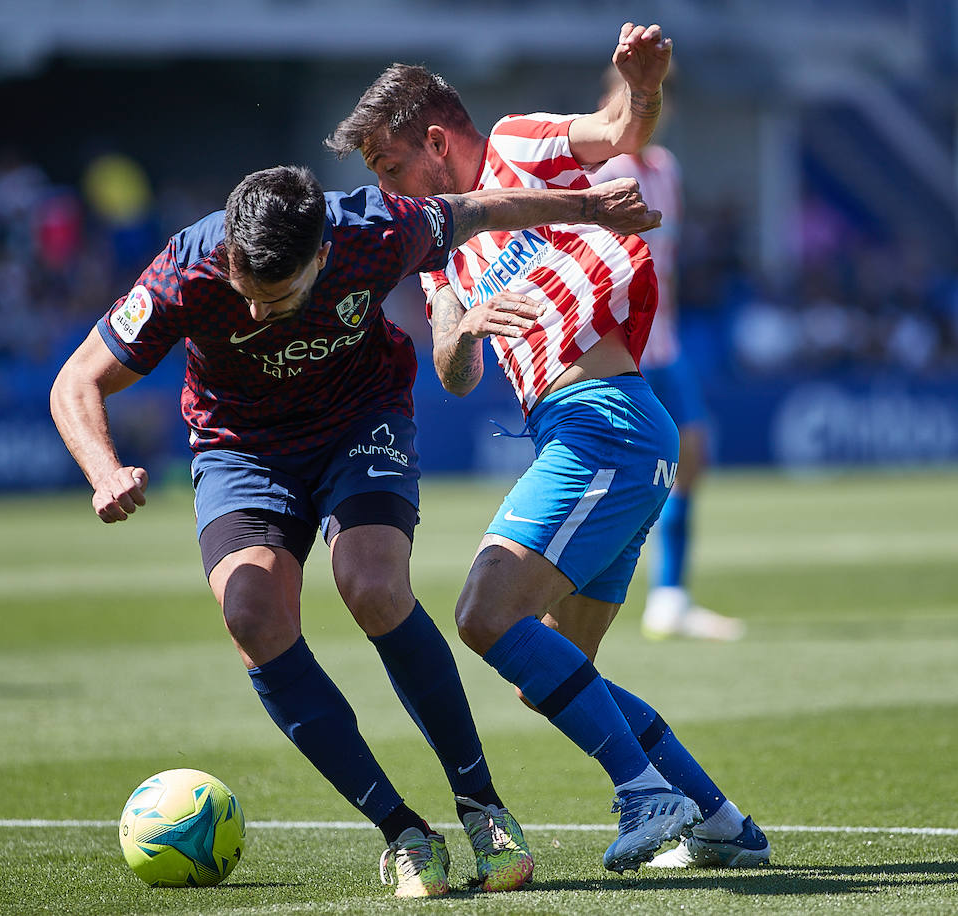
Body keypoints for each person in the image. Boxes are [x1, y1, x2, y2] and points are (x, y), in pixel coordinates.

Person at [49, 165, 660, 896]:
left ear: (320, 257)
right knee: (250, 615)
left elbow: (480, 208)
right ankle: (402, 830)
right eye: (246, 294)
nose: (257, 314)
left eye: (277, 300)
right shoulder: (188, 268)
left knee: (370, 585)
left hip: (359, 421)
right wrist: (104, 470)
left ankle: (482, 807)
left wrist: (591, 205)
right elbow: (76, 380)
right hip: (240, 448)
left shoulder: (375, 229)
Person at [328, 22, 769, 873]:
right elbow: (453, 371)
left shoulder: (517, 146)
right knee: (564, 673)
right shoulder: (436, 244)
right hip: (595, 433)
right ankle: (718, 819)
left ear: (434, 140)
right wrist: (469, 330)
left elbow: (621, 135)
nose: (387, 191)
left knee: (483, 614)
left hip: (605, 418)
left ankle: (647, 794)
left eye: (389, 170)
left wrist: (640, 85)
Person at [591, 68, 747, 644]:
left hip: (665, 342)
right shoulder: (608, 171)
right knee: (625, 472)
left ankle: (670, 597)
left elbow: (669, 263)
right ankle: (565, 585)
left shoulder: (666, 171)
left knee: (692, 454)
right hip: (623, 346)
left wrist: (671, 329)